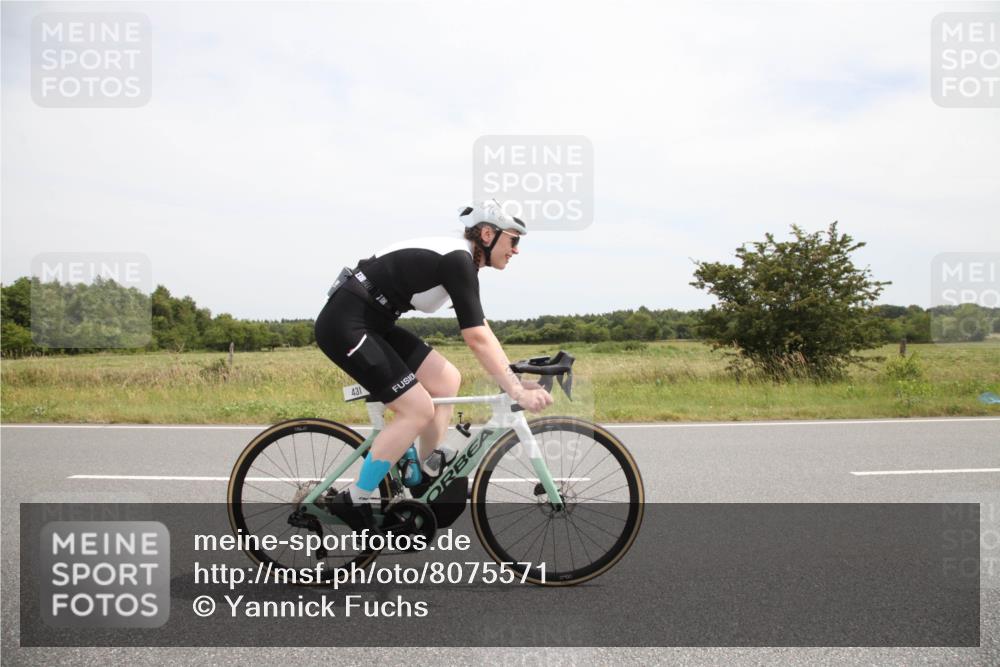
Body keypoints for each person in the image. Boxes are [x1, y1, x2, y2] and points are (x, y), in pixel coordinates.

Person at [314, 199, 553, 532]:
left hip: (374, 322)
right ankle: (355, 499)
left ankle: (424, 475)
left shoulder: (462, 261)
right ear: (487, 233)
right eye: (513, 240)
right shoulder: (458, 260)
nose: (516, 250)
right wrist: (513, 389)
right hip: (346, 324)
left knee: (447, 380)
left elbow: (480, 327)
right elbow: (475, 337)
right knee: (416, 410)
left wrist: (511, 377)